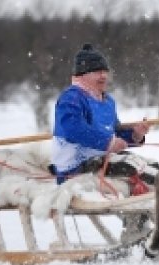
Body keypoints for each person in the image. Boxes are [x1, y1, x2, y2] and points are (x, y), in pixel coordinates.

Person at [51, 43, 153, 187]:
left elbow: (113, 133)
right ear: (82, 75)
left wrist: (135, 135)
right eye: (97, 72)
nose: (103, 76)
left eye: (105, 71)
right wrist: (107, 143)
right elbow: (72, 128)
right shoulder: (72, 97)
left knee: (150, 165)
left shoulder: (107, 101)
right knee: (134, 167)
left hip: (102, 159)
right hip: (75, 167)